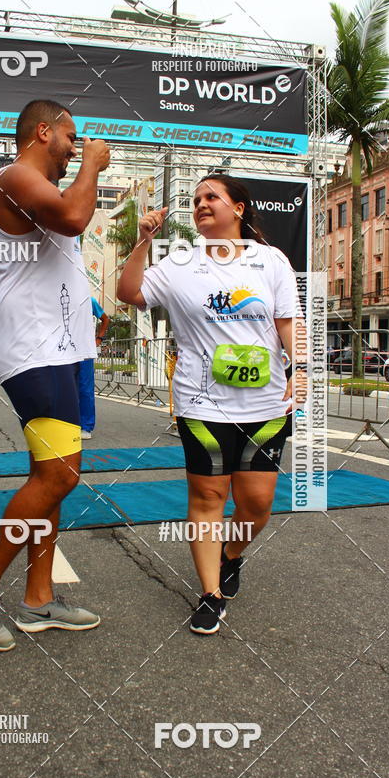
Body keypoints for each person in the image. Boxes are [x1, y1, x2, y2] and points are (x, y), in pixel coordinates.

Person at [0, 99, 110, 651]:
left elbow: (56, 262)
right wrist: (93, 163)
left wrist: (88, 324)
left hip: (59, 349)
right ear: (44, 131)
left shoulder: (44, 191)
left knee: (51, 477)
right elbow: (73, 217)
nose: (74, 150)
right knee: (60, 475)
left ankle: (39, 600)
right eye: (71, 138)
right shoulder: (15, 176)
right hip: (31, 351)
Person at [118, 175, 306, 636]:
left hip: (264, 404)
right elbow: (130, 294)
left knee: (257, 503)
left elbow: (288, 320)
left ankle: (231, 556)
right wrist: (144, 242)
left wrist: (301, 368)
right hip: (202, 403)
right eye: (196, 199)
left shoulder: (270, 260)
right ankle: (209, 593)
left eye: (212, 198)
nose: (201, 205)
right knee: (207, 498)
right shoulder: (180, 262)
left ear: (238, 208)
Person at [79, 296, 109, 439]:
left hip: (85, 351)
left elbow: (105, 319)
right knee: (64, 387)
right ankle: (67, 424)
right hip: (64, 351)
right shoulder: (59, 295)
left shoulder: (89, 300)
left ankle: (86, 427)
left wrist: (99, 338)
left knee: (85, 388)